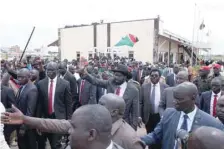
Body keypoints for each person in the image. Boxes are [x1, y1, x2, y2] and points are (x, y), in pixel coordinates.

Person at [140, 82, 224, 149]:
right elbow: (156, 135)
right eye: (174, 98)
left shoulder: (212, 124)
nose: (174, 102)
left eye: (179, 99)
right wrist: (138, 142)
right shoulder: (168, 114)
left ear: (193, 98)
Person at [1, 105, 124, 149]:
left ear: (91, 135)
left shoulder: (129, 138)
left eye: (73, 128)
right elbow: (53, 124)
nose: (68, 131)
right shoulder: (83, 129)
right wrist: (24, 119)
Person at [81, 64, 139, 130]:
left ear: (125, 77)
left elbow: (135, 112)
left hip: (123, 124)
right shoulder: (110, 83)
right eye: (115, 74)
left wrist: (133, 128)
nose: (115, 77)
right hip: (108, 122)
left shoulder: (134, 91)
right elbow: (96, 81)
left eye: (118, 75)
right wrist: (86, 75)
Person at [36, 61, 73, 149]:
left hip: (58, 118)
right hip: (44, 118)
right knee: (41, 144)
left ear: (57, 71)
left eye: (51, 70)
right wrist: (37, 120)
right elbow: (39, 104)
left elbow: (68, 104)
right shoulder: (41, 84)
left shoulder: (65, 84)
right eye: (47, 70)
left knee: (55, 145)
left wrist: (69, 121)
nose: (49, 72)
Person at [16, 68, 38, 149]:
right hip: (19, 123)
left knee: (28, 145)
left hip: (27, 127)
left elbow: (30, 111)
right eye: (18, 77)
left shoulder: (32, 89)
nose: (19, 79)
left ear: (28, 77)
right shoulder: (22, 87)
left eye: (22, 77)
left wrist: (23, 127)